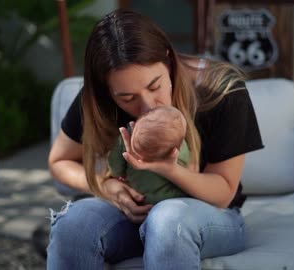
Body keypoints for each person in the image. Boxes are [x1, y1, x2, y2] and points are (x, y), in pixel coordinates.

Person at [47, 9, 264, 270]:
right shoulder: (98, 98)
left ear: (169, 61)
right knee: (74, 225)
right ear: (108, 92)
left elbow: (222, 194)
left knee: (167, 220)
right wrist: (106, 187)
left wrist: (169, 169)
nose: (147, 106)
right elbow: (59, 161)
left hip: (210, 217)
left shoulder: (221, 89)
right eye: (127, 99)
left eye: (154, 86)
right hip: (132, 217)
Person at [108, 106, 194, 205]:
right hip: (175, 198)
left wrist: (117, 174)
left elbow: (114, 165)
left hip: (141, 199)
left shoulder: (124, 139)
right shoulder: (180, 147)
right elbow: (188, 167)